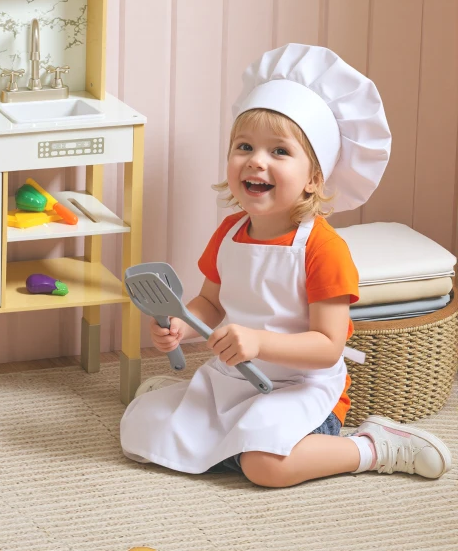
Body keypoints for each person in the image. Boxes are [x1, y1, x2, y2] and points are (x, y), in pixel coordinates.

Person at [120, 43, 452, 487]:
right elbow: (209, 304)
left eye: (280, 151)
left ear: (315, 177)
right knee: (140, 435)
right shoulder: (230, 232)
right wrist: (184, 324)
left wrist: (259, 341)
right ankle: (205, 421)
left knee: (264, 467)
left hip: (302, 388)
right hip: (237, 376)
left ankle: (372, 447)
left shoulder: (323, 248)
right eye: (245, 146)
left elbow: (328, 347)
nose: (257, 160)